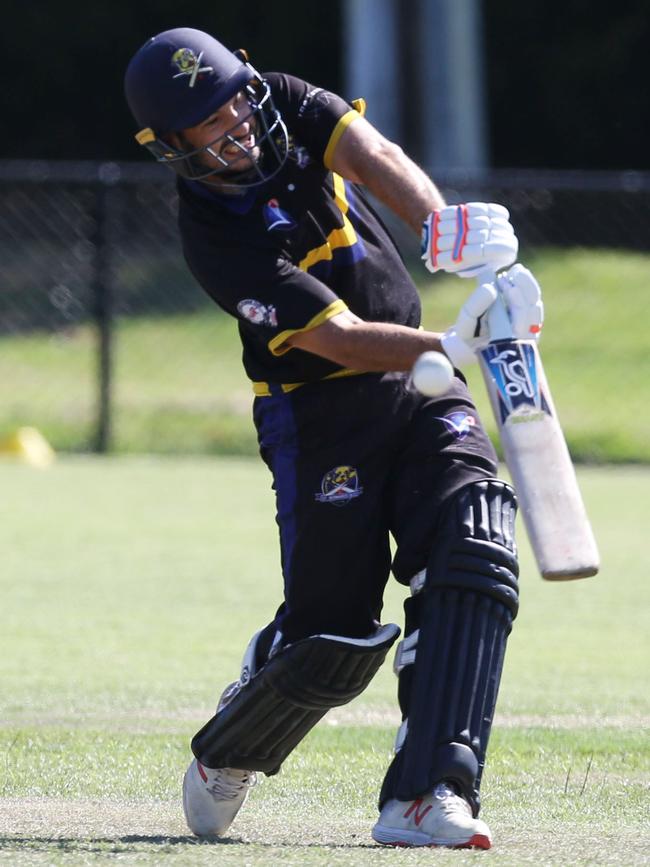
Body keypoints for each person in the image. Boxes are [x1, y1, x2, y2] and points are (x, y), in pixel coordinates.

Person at [124, 27, 543, 850]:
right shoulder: (215, 237)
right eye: (207, 124)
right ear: (173, 147)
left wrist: (448, 232)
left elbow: (374, 153)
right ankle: (241, 725)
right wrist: (461, 347)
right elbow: (344, 337)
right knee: (332, 639)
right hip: (317, 415)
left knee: (475, 546)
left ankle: (427, 794)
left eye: (233, 101)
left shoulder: (279, 94)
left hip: (421, 387)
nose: (236, 124)